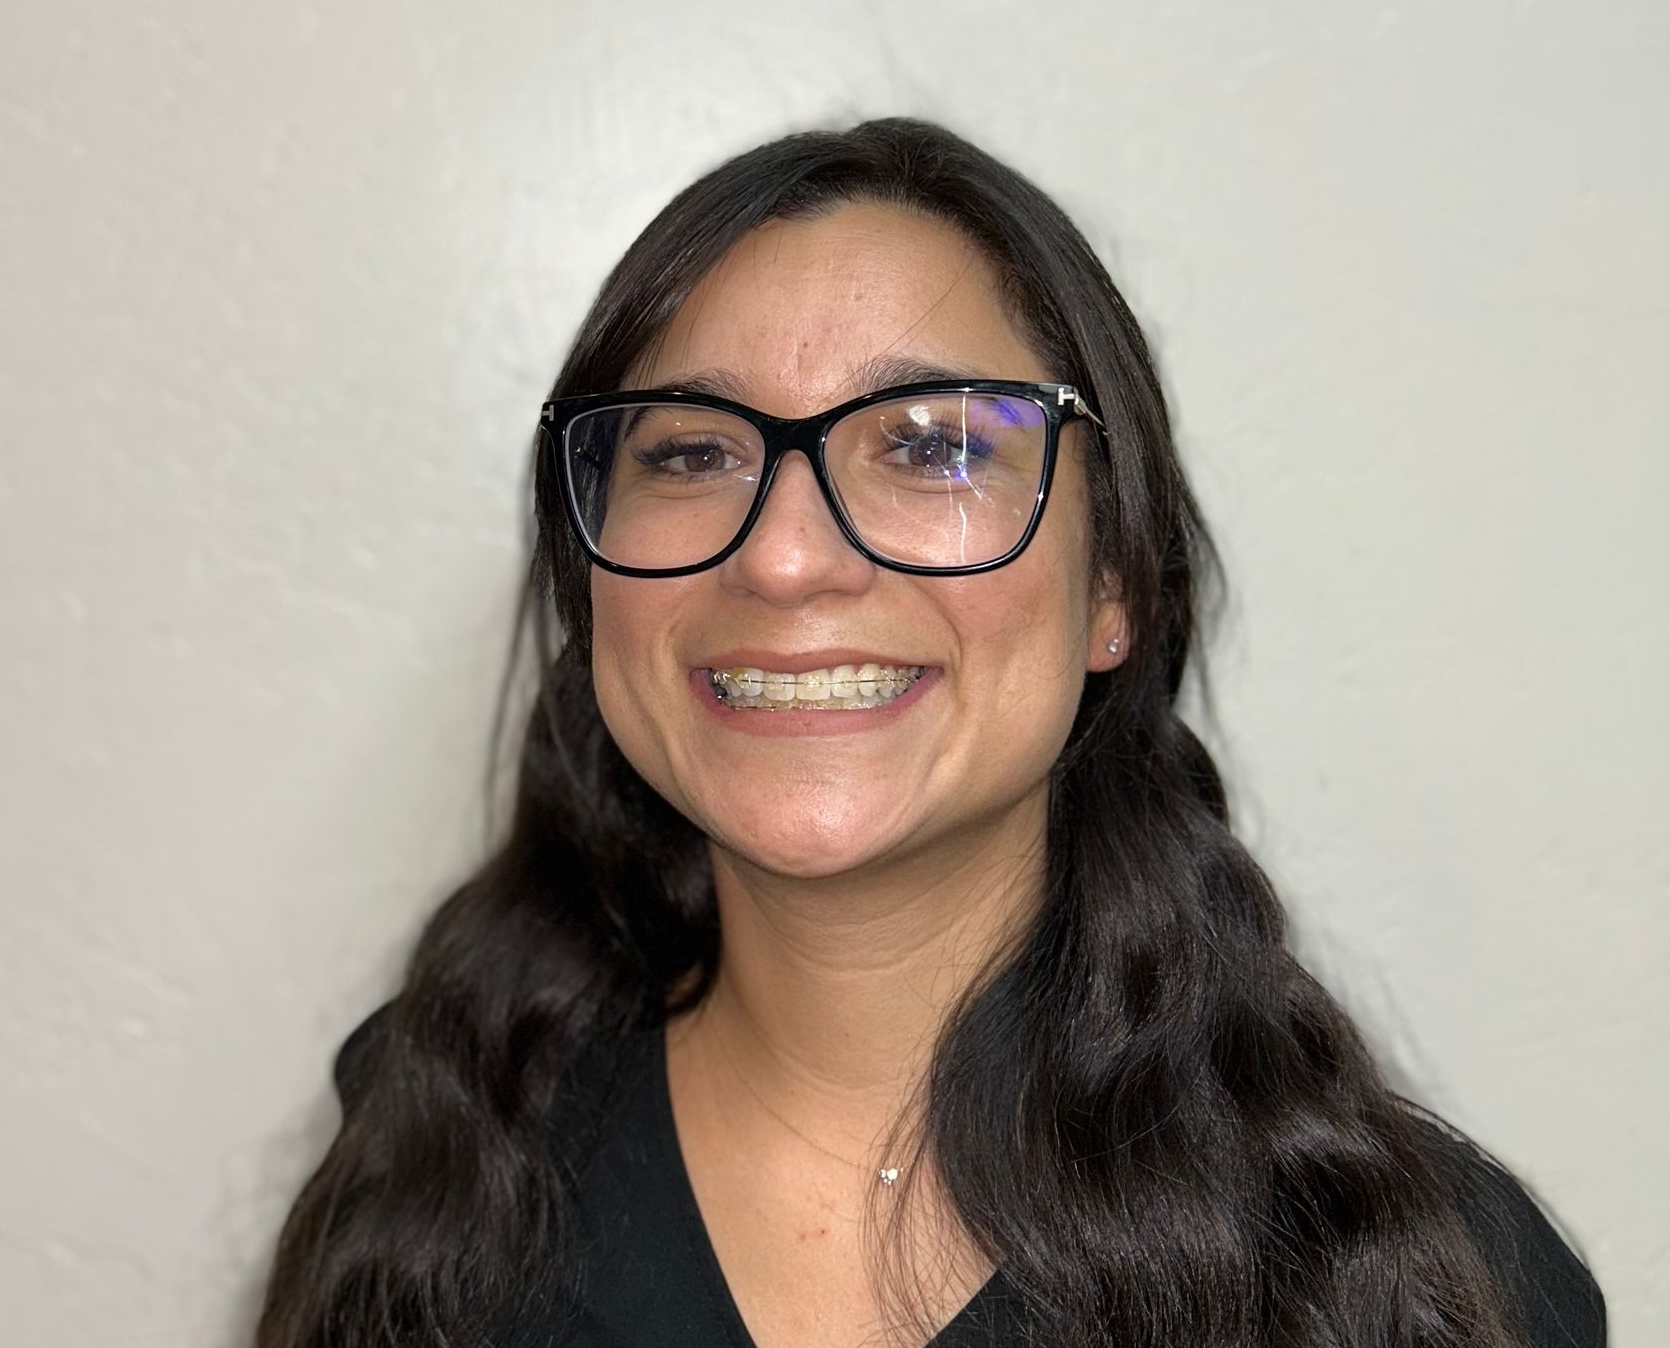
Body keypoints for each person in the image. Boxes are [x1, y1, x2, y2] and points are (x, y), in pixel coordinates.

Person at [255, 118, 1606, 1348]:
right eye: (688, 452)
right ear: (593, 589)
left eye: (933, 447)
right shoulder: (434, 1161)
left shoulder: (1415, 1287)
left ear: (1113, 591)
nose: (784, 560)